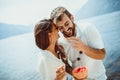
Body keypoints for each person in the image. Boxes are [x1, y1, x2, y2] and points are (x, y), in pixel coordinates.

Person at [50, 6, 107, 80]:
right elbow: (64, 64)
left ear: (72, 18)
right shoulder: (60, 43)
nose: (66, 29)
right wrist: (73, 72)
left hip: (99, 78)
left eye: (67, 24)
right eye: (60, 28)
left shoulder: (88, 29)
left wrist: (84, 48)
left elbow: (102, 55)